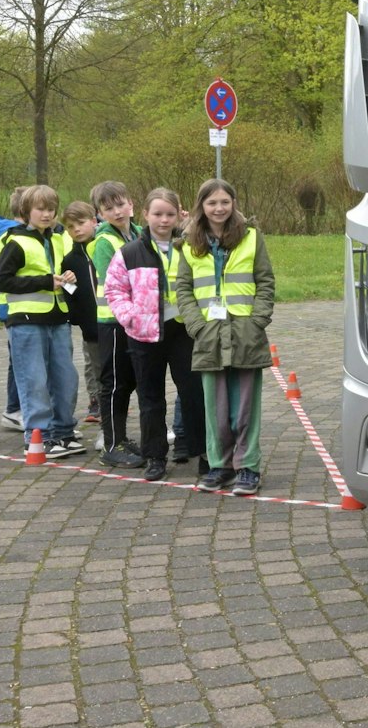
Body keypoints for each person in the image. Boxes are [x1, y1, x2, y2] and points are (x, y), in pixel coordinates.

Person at [176, 179, 274, 496]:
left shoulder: (252, 238)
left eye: (225, 202)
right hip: (209, 336)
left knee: (245, 408)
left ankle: (247, 468)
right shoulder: (188, 243)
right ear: (201, 206)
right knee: (215, 407)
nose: (219, 208)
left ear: (233, 203)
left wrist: (256, 321)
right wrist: (196, 325)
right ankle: (219, 466)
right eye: (212, 203)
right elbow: (184, 290)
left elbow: (265, 282)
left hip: (245, 334)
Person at [106, 187, 205, 484]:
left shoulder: (189, 248)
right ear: (145, 214)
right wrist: (130, 316)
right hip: (144, 334)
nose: (163, 220)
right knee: (150, 399)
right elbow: (114, 290)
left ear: (180, 215)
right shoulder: (128, 253)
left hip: (182, 332)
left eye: (170, 214)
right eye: (158, 214)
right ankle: (155, 456)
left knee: (193, 393)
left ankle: (203, 453)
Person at [0, 185, 84, 460]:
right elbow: (3, 280)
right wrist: (46, 281)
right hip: (26, 322)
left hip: (58, 318)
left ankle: (63, 431)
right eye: (40, 209)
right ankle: (38, 436)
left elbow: (62, 270)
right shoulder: (15, 242)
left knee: (65, 378)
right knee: (34, 379)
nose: (46, 215)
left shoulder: (58, 239)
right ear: (26, 211)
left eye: (51, 209)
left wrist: (67, 276)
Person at [89, 180, 146, 468]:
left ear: (131, 204)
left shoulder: (137, 233)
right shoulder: (104, 241)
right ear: (99, 213)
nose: (117, 211)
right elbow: (115, 280)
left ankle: (121, 438)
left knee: (129, 381)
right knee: (113, 384)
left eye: (121, 204)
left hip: (134, 320)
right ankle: (111, 443)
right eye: (108, 208)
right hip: (112, 321)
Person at [61, 201, 120, 446]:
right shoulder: (69, 261)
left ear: (94, 221)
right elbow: (71, 294)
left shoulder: (108, 246)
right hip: (93, 331)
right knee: (102, 379)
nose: (77, 230)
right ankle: (106, 431)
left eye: (81, 223)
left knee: (130, 378)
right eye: (70, 226)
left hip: (119, 324)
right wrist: (68, 283)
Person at [0, 188, 28, 432]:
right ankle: (14, 409)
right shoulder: (12, 236)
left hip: (17, 305)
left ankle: (16, 408)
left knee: (19, 360)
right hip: (14, 306)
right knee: (20, 361)